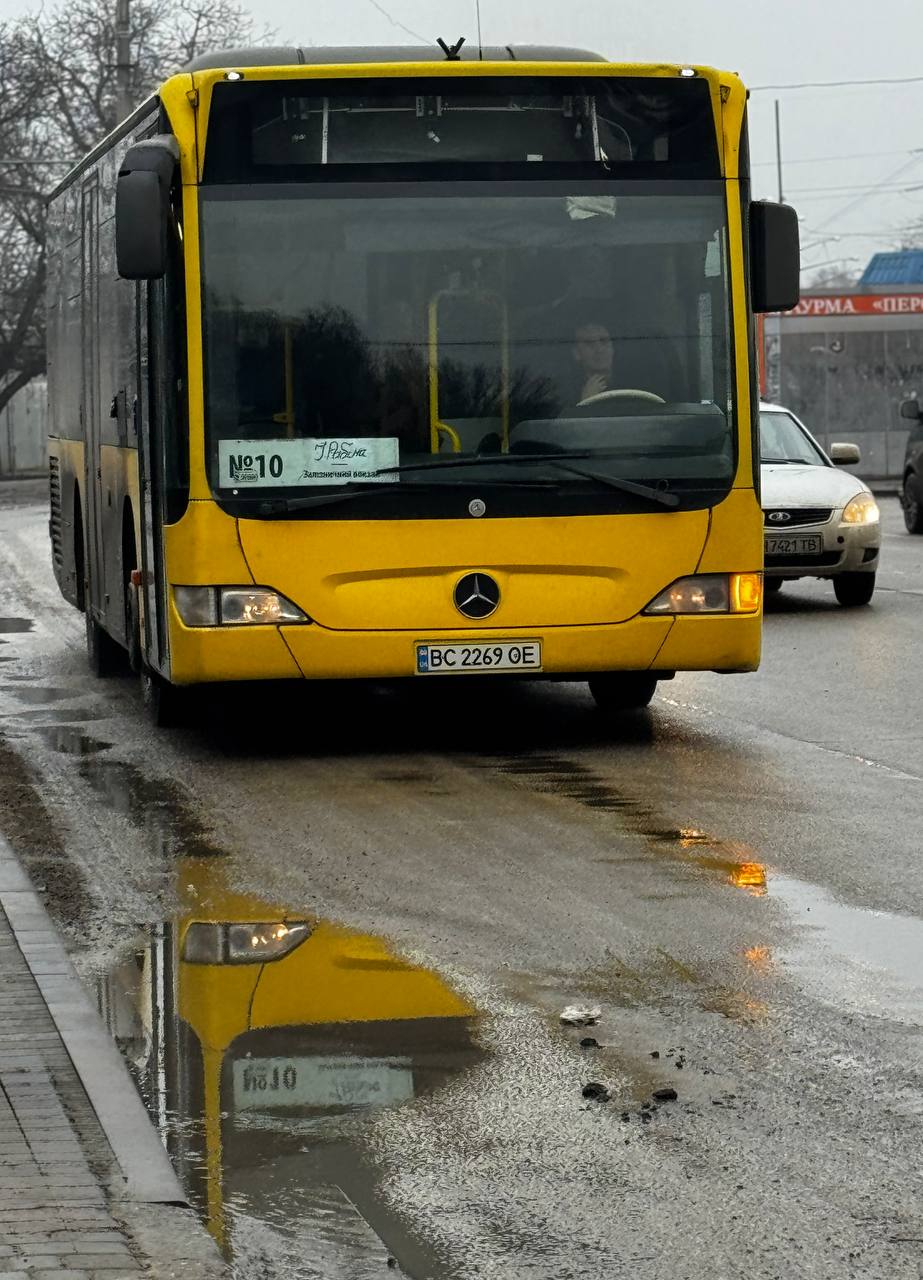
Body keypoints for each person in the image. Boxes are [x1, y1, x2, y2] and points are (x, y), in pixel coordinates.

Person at [572, 320, 614, 403]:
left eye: (604, 341)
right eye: (589, 343)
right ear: (576, 353)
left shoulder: (636, 383)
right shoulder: (564, 393)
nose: (599, 350)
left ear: (613, 348)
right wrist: (586, 401)